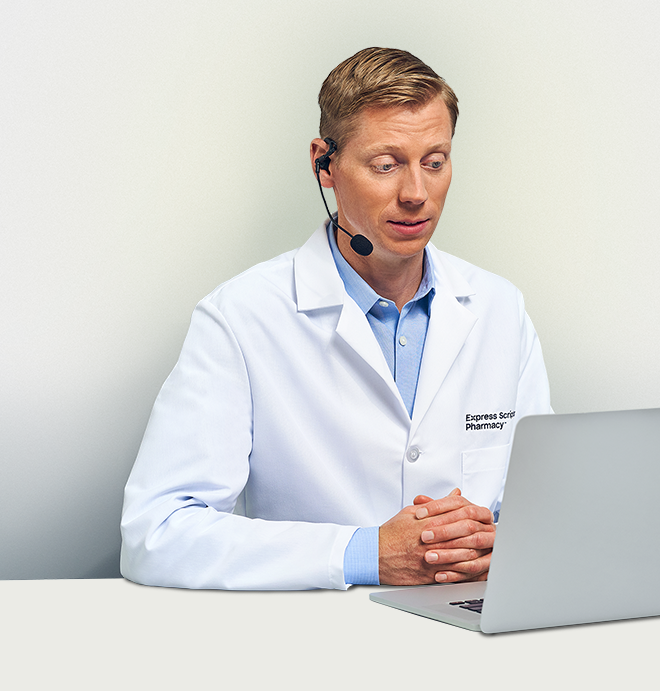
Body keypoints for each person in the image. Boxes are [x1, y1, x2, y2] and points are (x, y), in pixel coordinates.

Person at [120, 47, 553, 590]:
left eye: (435, 161)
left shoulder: (499, 309)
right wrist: (364, 552)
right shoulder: (242, 318)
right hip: (318, 635)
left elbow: (543, 512)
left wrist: (497, 542)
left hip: (472, 624)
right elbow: (156, 535)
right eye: (386, 164)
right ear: (324, 164)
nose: (417, 194)